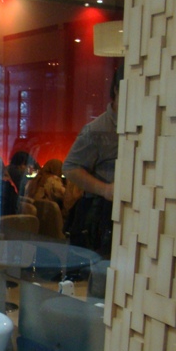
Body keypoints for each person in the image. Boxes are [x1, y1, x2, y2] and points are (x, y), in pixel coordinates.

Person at [62, 64, 123, 258]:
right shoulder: (97, 129)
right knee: (101, 269)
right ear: (116, 89)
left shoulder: (144, 124)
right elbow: (70, 167)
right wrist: (105, 189)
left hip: (131, 215)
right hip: (103, 214)